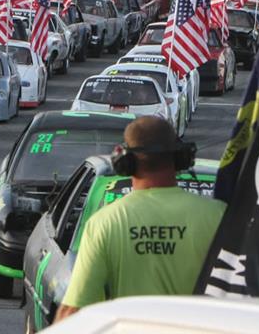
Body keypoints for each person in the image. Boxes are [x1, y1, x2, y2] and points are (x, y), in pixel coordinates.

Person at [55, 116, 224, 322]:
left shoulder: (105, 223)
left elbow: (73, 313)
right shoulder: (218, 216)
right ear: (181, 158)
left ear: (124, 161)